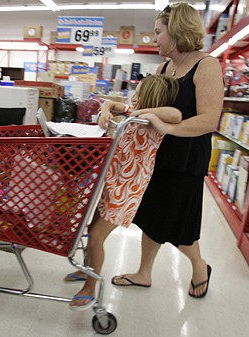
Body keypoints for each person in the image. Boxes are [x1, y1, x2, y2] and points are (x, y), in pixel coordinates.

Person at [107, 2, 224, 299]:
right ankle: (144, 272)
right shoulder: (164, 68)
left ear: (177, 31)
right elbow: (145, 108)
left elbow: (208, 120)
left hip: (186, 159)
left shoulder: (206, 65)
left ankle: (199, 266)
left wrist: (167, 127)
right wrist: (119, 109)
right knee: (151, 216)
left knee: (179, 226)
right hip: (155, 156)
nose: (154, 37)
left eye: (158, 32)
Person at [69, 74, 181, 311]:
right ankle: (86, 270)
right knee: (91, 230)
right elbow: (111, 103)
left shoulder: (154, 121)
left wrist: (145, 113)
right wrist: (107, 110)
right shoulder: (134, 111)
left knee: (97, 236)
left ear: (149, 97)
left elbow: (176, 115)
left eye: (139, 92)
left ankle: (91, 286)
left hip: (127, 191)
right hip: (112, 184)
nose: (134, 96)